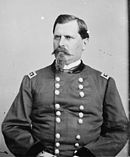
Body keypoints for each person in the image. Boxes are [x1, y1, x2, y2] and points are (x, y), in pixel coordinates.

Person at [2, 14, 128, 157]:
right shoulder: (32, 80)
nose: (61, 43)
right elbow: (12, 126)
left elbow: (119, 130)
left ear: (85, 43)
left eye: (68, 37)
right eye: (57, 37)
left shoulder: (104, 83)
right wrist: (38, 154)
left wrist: (88, 155)